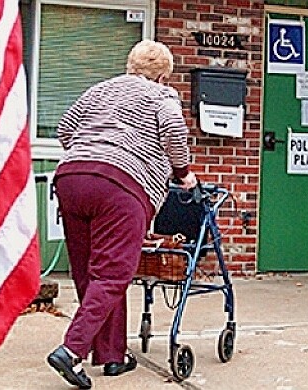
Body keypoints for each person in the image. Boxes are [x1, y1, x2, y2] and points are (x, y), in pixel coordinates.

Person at [46, 40, 198, 389]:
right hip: (121, 186)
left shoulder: (100, 89)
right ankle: (71, 351)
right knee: (113, 274)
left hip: (72, 178)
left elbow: (65, 129)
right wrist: (182, 172)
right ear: (162, 75)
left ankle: (113, 355)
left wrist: (93, 150)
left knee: (89, 274)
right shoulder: (161, 96)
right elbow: (174, 132)